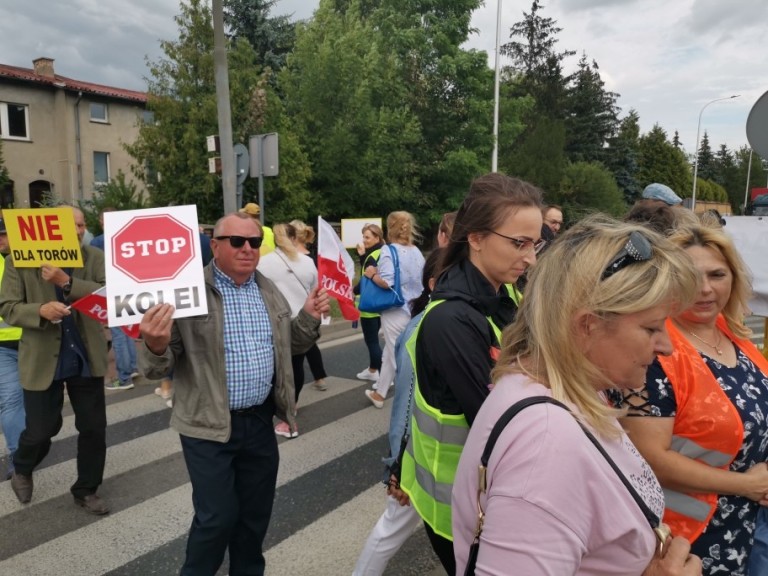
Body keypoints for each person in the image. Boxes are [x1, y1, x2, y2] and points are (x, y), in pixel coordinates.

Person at [452, 215, 702, 575]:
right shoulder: (546, 443)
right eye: (650, 328)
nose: (666, 347)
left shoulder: (563, 389)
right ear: (587, 325)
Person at [138, 212, 329, 576]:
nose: (247, 249)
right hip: (207, 425)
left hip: (258, 421)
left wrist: (307, 317)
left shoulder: (267, 289)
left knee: (254, 518)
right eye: (237, 241)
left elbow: (291, 347)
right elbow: (155, 369)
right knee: (217, 519)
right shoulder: (187, 290)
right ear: (215, 245)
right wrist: (155, 343)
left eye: (254, 242)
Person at [399, 173, 543, 573]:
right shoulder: (452, 319)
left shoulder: (502, 294)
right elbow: (497, 421)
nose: (530, 257)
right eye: (519, 243)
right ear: (476, 238)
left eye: (535, 243)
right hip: (461, 509)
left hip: (487, 497)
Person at [610, 224, 768, 576]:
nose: (705, 289)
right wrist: (748, 484)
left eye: (717, 275)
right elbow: (648, 456)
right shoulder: (656, 350)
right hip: (688, 539)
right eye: (691, 276)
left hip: (747, 526)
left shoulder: (734, 336)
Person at [0, 206, 110, 515]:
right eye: (70, 224)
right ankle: (22, 466)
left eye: (80, 224)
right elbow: (8, 307)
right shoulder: (17, 261)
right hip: (42, 358)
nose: (77, 230)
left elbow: (109, 296)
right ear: (52, 228)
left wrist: (66, 282)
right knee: (42, 429)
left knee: (94, 428)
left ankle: (86, 489)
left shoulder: (94, 257)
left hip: (85, 357)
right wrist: (39, 311)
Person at [352, 248, 442, 576]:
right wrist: (398, 466)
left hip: (437, 459)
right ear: (433, 283)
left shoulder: (449, 320)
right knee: (391, 527)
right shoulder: (424, 327)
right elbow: (404, 401)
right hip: (419, 458)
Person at [258, 223, 319, 438]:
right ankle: (292, 406)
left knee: (275, 372)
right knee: (296, 367)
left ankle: (284, 417)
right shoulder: (308, 262)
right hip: (302, 323)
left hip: (274, 324)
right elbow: (315, 290)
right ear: (295, 238)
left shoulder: (263, 263)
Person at [363, 211, 425, 409]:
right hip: (414, 309)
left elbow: (387, 282)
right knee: (391, 353)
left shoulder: (389, 251)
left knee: (397, 356)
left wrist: (372, 274)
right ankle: (379, 394)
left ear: (390, 228)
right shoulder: (416, 251)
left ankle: (412, 405)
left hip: (395, 310)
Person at [90, 208, 139, 391]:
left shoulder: (98, 242)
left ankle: (124, 378)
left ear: (103, 222)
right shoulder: (127, 238)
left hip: (111, 290)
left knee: (118, 334)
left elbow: (93, 269)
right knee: (128, 331)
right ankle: (132, 368)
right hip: (128, 289)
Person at [290, 219, 329, 392]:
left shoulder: (290, 259)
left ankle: (292, 401)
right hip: (311, 308)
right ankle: (319, 377)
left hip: (296, 308)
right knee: (310, 344)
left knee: (296, 357)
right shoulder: (311, 257)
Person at [0, 217, 25, 480]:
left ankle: (28, 447)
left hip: (34, 342)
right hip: (4, 347)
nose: (2, 239)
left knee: (31, 403)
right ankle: (19, 461)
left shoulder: (25, 259)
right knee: (11, 401)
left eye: (5, 234)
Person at [354, 223, 385, 382]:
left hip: (369, 306)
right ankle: (373, 370)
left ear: (377, 238)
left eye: (367, 237)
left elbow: (366, 279)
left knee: (372, 341)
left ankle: (384, 377)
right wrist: (362, 256)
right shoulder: (382, 252)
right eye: (363, 237)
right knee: (374, 339)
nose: (364, 240)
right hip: (380, 304)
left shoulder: (372, 256)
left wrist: (352, 291)